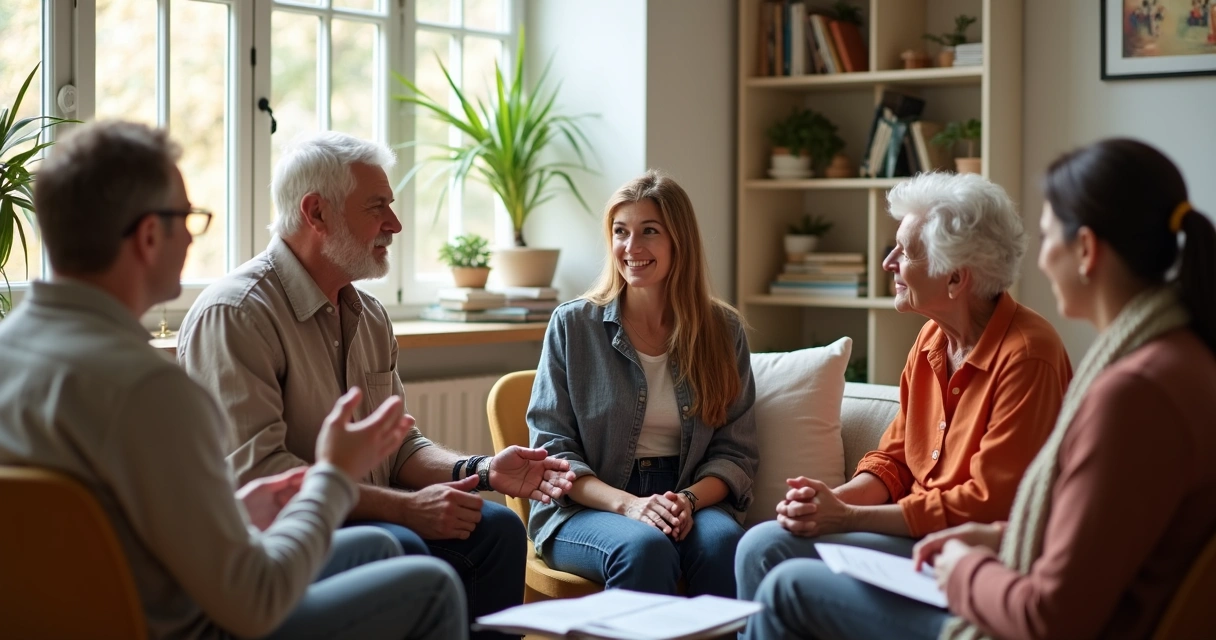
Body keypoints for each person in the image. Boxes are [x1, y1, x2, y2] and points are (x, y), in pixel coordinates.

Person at [0, 120, 467, 639]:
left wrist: (236, 507)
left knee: (379, 546)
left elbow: (105, 524)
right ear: (151, 235)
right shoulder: (150, 390)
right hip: (188, 625)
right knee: (431, 585)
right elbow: (254, 601)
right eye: (188, 218)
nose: (191, 237)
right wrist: (333, 476)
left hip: (80, 613)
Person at [747, 138, 1216, 640]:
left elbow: (1051, 610)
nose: (1037, 262)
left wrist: (965, 565)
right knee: (764, 544)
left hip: (1011, 599)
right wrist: (995, 537)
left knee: (787, 586)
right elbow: (1090, 535)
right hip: (991, 564)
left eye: (1047, 236)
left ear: (1085, 251)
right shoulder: (1172, 362)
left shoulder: (1132, 391)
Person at [177, 131, 574, 638]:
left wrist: (480, 470)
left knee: (498, 529)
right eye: (377, 207)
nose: (395, 224)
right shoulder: (236, 314)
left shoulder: (370, 315)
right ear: (316, 213)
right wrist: (407, 510)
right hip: (283, 538)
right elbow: (257, 475)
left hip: (365, 515)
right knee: (399, 545)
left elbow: (399, 447)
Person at [737, 172, 1073, 607]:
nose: (888, 262)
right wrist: (829, 504)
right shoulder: (933, 339)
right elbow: (894, 461)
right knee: (762, 542)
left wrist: (849, 518)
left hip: (968, 555)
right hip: (911, 533)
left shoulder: (1028, 356)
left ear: (955, 278)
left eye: (905, 251)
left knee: (773, 557)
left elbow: (988, 505)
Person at [527, 170, 758, 597]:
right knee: (646, 548)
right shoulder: (573, 325)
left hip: (688, 494)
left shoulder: (722, 329)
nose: (631, 248)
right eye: (620, 232)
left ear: (678, 241)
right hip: (586, 503)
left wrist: (685, 501)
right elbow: (553, 451)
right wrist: (629, 504)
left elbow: (735, 451)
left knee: (725, 545)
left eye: (649, 231)